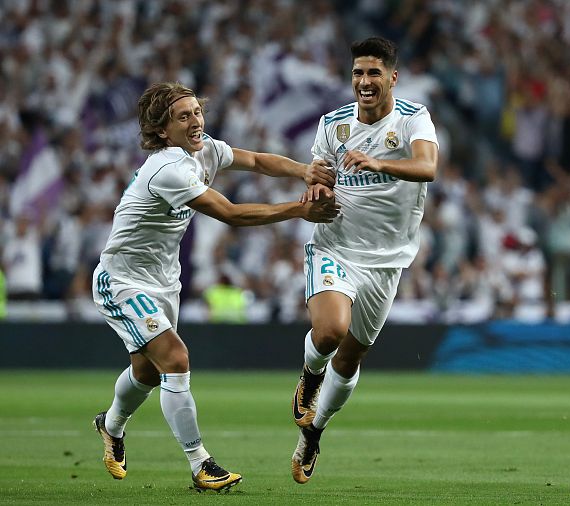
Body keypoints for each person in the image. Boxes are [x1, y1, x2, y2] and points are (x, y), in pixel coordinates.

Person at [91, 82, 339, 492]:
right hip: (123, 278)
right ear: (162, 130)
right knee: (175, 358)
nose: (195, 121)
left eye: (196, 112)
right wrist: (299, 209)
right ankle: (200, 464)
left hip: (164, 280)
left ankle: (110, 423)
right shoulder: (168, 167)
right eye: (183, 116)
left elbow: (256, 160)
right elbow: (231, 214)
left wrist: (303, 170)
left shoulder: (203, 147)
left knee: (147, 373)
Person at [289, 37, 439, 484]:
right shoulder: (332, 124)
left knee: (351, 358)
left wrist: (378, 163)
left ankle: (313, 434)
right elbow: (320, 176)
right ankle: (309, 378)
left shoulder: (415, 119)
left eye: (374, 73)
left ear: (392, 77)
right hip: (334, 245)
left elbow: (427, 167)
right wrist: (317, 190)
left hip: (387, 260)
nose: (364, 82)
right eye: (358, 73)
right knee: (331, 330)